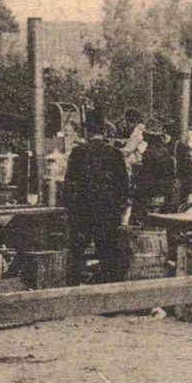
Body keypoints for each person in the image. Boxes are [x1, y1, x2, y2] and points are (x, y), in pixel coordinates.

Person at [62, 113, 131, 284]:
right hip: (108, 210)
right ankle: (108, 296)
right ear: (104, 132)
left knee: (76, 252)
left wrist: (69, 208)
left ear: (87, 132)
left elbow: (69, 184)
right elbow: (123, 184)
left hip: (83, 210)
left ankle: (72, 290)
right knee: (108, 254)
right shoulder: (115, 153)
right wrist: (120, 207)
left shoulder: (78, 152)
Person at [135, 122, 176, 221]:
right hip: (164, 190)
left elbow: (146, 176)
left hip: (152, 191)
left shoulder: (149, 153)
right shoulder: (164, 150)